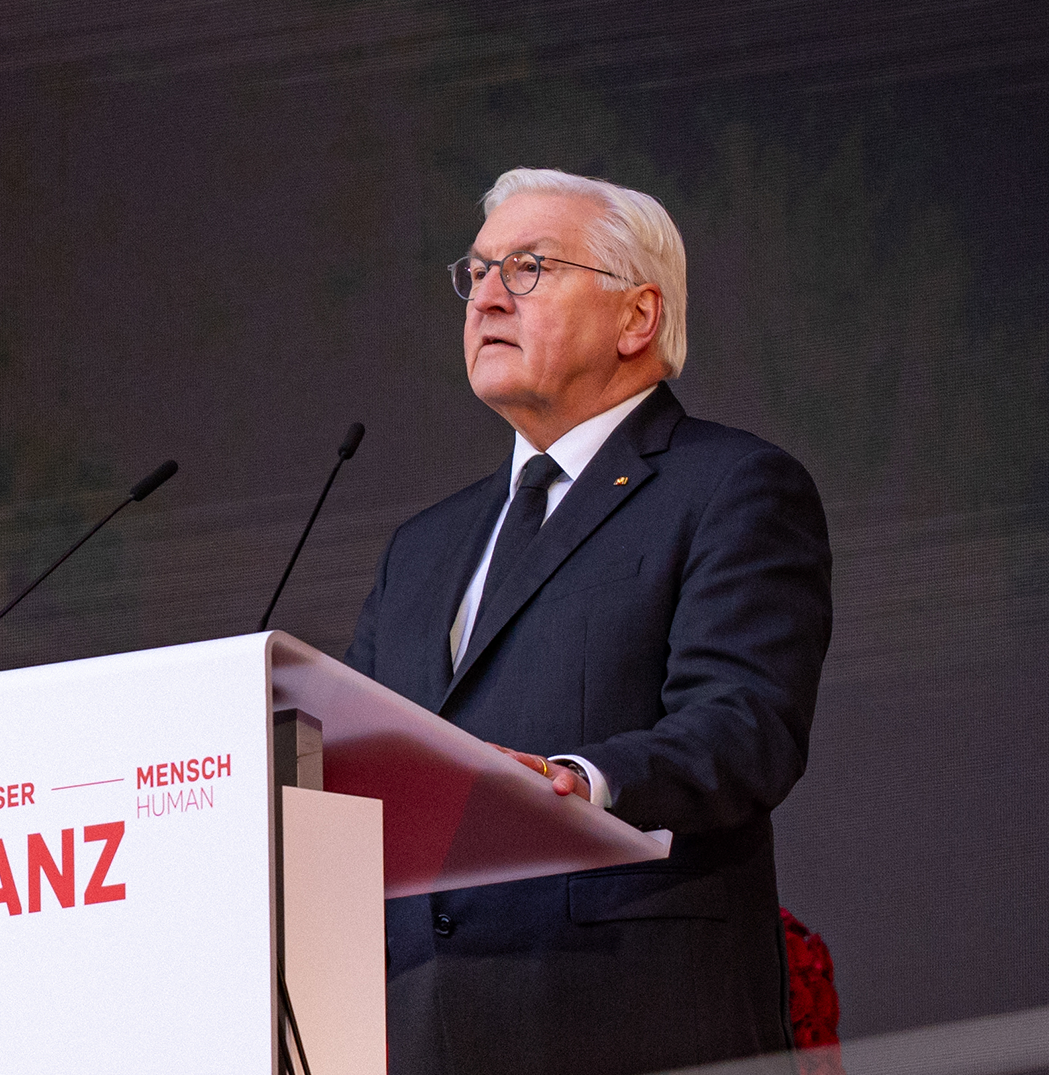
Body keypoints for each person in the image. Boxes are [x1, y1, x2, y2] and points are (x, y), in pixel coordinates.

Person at [344, 168, 833, 1075]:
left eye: (527, 268)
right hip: (414, 1035)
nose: (486, 296)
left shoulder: (730, 488)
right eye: (477, 271)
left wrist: (577, 782)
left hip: (623, 1019)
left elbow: (744, 726)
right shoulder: (422, 547)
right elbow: (348, 774)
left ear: (637, 318)